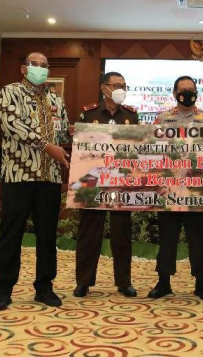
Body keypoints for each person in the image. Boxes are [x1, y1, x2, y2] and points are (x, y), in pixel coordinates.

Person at [0, 52, 71, 311]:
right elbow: (12, 126)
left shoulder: (56, 99)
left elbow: (63, 133)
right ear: (23, 69)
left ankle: (44, 288)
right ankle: (4, 289)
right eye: (35, 64)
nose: (40, 69)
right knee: (11, 233)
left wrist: (81, 132)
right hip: (18, 175)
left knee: (47, 235)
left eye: (45, 65)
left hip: (50, 177)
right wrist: (47, 146)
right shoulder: (10, 92)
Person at [148, 75, 203, 301]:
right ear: (175, 93)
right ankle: (163, 282)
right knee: (167, 237)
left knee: (198, 238)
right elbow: (152, 149)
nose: (188, 94)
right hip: (170, 188)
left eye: (191, 90)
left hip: (197, 189)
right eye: (183, 90)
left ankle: (201, 282)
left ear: (197, 93)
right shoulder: (162, 119)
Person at [71, 72, 139, 298]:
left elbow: (137, 148)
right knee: (89, 234)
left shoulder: (131, 115)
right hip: (93, 181)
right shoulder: (89, 113)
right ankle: (83, 281)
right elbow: (80, 147)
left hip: (120, 182)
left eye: (124, 85)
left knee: (122, 234)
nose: (121, 89)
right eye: (116, 85)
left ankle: (124, 282)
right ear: (104, 88)